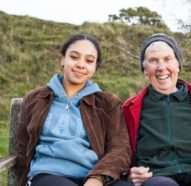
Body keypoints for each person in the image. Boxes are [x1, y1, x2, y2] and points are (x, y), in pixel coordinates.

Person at [16, 34, 132, 186]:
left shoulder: (108, 104)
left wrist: (98, 178)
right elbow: (22, 146)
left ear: (95, 67)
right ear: (63, 59)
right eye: (74, 57)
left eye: (89, 61)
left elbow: (120, 149)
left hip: (93, 177)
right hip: (48, 175)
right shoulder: (35, 99)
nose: (81, 65)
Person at [121, 33, 191, 186]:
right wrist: (128, 173)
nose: (161, 67)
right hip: (156, 176)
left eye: (168, 59)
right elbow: (120, 152)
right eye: (153, 61)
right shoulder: (130, 108)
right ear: (144, 68)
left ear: (178, 65)